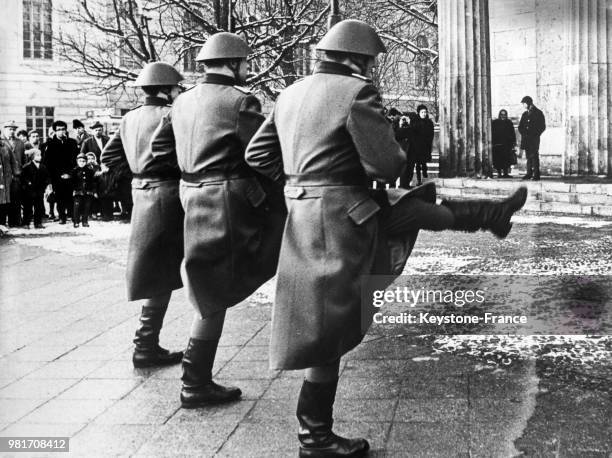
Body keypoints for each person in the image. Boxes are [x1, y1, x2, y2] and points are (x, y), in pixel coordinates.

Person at [246, 19, 528, 457]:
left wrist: (301, 185)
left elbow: (258, 154)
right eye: (371, 60)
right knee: (331, 322)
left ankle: (492, 214)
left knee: (411, 209)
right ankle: (314, 437)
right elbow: (388, 163)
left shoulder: (290, 93)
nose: (372, 67)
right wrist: (345, 174)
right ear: (357, 57)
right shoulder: (356, 94)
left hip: (310, 213)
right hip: (343, 217)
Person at [151, 33, 285, 407]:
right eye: (245, 62)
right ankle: (195, 382)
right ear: (231, 64)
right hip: (226, 198)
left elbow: (159, 150)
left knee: (209, 282)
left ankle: (196, 379)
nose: (248, 68)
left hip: (190, 194)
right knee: (217, 287)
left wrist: (191, 168)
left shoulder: (181, 102)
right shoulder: (241, 101)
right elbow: (260, 152)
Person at [101, 62, 186, 368]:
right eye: (176, 88)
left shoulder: (129, 117)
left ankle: (146, 344)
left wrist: (138, 174)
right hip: (168, 194)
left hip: (143, 195)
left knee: (155, 269)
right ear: (165, 89)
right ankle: (146, 346)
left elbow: (108, 156)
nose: (179, 92)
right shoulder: (171, 114)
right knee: (162, 271)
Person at [44, 120, 79, 224]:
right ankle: (62, 217)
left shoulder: (72, 143)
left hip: (70, 175)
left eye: (63, 129)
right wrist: (56, 177)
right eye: (58, 129)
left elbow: (75, 160)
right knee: (60, 198)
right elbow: (48, 164)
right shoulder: (50, 144)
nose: (61, 131)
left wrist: (70, 174)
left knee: (70, 196)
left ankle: (73, 216)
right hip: (57, 177)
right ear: (55, 131)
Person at [2, 121, 26, 226]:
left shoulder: (20, 142)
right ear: (5, 129)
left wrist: (21, 172)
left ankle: (15, 221)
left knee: (16, 198)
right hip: (4, 176)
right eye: (9, 129)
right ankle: (3, 222)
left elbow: (23, 159)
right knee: (4, 199)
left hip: (17, 175)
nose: (12, 131)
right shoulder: (1, 141)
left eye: (13, 129)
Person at [518, 96, 546, 181]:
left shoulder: (538, 113)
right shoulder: (525, 114)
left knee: (534, 156)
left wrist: (535, 134)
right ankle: (529, 173)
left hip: (534, 139)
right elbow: (520, 127)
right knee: (528, 156)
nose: (523, 105)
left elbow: (542, 126)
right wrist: (524, 133)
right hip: (526, 139)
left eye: (524, 103)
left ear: (527, 103)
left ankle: (536, 175)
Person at [21, 149, 49, 229]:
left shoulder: (43, 167)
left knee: (39, 207)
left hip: (39, 190)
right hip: (29, 191)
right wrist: (28, 184)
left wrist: (46, 185)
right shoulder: (27, 167)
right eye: (37, 155)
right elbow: (23, 178)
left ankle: (38, 223)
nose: (40, 157)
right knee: (28, 208)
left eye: (40, 155)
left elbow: (46, 177)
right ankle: (26, 223)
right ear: (32, 156)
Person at [411, 104, 434, 186]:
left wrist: (429, 143)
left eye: (425, 112)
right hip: (416, 146)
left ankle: (424, 175)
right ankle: (419, 180)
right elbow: (412, 133)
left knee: (424, 163)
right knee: (417, 164)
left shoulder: (429, 122)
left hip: (425, 146)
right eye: (422, 112)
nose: (424, 114)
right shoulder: (415, 122)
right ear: (418, 113)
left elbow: (431, 134)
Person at [71, 153, 96, 228]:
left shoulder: (90, 171)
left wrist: (93, 190)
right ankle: (76, 221)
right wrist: (74, 190)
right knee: (77, 207)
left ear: (86, 162)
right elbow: (72, 182)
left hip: (87, 191)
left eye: (83, 161)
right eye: (80, 161)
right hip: (78, 192)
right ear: (77, 161)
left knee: (87, 206)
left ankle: (85, 221)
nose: (81, 163)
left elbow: (93, 181)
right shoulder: (74, 171)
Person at [492, 109, 517, 178]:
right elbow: (492, 133)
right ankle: (499, 173)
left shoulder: (509, 123)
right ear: (499, 115)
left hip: (507, 144)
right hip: (497, 144)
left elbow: (512, 133)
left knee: (506, 159)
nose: (503, 116)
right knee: (498, 160)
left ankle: (506, 173)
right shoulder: (495, 123)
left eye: (504, 114)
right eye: (501, 114)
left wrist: (513, 142)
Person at [0, 142, 18, 227]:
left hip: (6, 179)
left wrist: (15, 174)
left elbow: (13, 162)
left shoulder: (5, 147)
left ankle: (2, 226)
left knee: (4, 202)